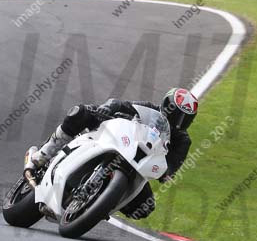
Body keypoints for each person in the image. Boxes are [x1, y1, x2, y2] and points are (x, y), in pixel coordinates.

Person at [24, 88, 199, 220]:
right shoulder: (149, 109)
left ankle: (98, 204)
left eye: (185, 118)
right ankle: (43, 155)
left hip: (138, 164)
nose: (179, 121)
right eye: (177, 114)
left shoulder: (183, 141)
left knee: (145, 208)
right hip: (117, 140)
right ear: (167, 105)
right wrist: (107, 108)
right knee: (79, 113)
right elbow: (122, 105)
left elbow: (172, 165)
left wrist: (166, 173)